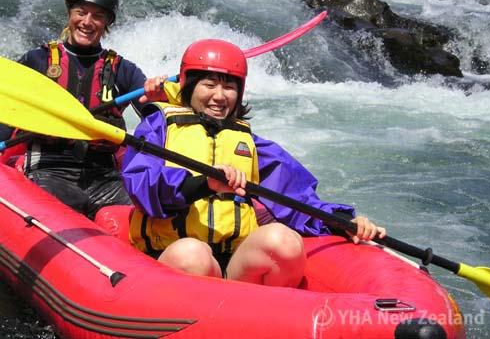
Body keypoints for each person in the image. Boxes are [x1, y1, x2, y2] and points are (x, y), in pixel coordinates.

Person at [122, 39, 386, 287]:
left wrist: (342, 221)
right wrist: (204, 184)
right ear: (188, 85)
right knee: (192, 255)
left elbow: (296, 197)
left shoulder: (250, 143)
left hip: (233, 263)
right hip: (175, 256)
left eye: (229, 86)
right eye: (209, 84)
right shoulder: (157, 127)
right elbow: (142, 184)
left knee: (284, 241)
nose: (220, 96)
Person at [4, 0, 158, 219]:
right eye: (81, 12)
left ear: (107, 22)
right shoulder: (38, 61)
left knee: (147, 217)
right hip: (49, 169)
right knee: (55, 215)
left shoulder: (123, 70)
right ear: (69, 14)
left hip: (104, 176)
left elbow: (156, 117)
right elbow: (7, 112)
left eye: (97, 16)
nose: (87, 22)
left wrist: (159, 95)